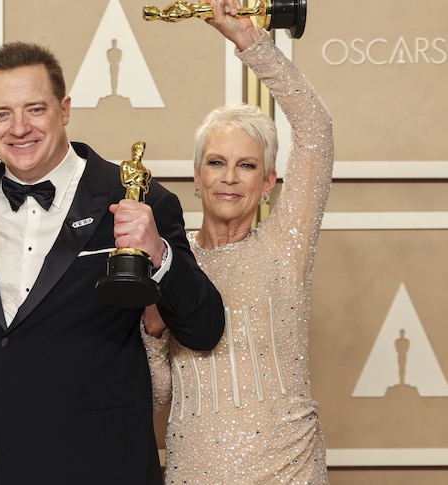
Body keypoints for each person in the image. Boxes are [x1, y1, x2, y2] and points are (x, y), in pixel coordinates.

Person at [0, 40, 225, 484]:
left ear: (65, 109)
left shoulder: (134, 196)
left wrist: (159, 253)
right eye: (2, 113)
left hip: (97, 462)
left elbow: (203, 327)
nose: (18, 128)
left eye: (35, 109)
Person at [142, 0, 334, 482]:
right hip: (195, 470)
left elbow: (316, 132)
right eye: (216, 162)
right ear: (196, 175)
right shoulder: (167, 260)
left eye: (246, 165)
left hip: (288, 468)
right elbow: (157, 397)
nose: (230, 178)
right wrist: (151, 330)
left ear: (268, 182)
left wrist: (248, 39)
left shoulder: (285, 244)